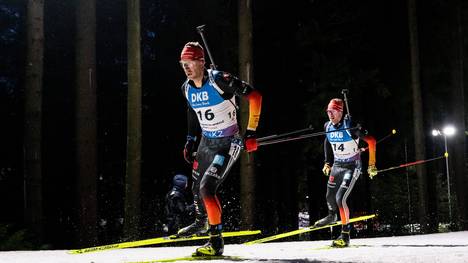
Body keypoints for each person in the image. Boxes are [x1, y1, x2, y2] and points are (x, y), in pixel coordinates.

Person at [177, 42, 262, 256]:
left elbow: (255, 97)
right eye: (183, 63)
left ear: (201, 62)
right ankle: (201, 222)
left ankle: (216, 243)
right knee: (196, 187)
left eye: (190, 63)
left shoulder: (219, 80)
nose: (186, 67)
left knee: (207, 188)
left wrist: (250, 132)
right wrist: (190, 140)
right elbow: (192, 112)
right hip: (207, 142)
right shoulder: (186, 88)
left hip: (227, 142)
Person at [314, 98, 377, 247]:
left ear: (341, 111)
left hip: (352, 166)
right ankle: (331, 216)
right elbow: (327, 142)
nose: (330, 114)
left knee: (340, 198)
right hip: (337, 165)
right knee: (329, 195)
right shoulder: (327, 126)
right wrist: (327, 162)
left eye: (333, 111)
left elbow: (372, 141)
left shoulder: (350, 127)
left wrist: (372, 165)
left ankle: (345, 236)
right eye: (328, 111)